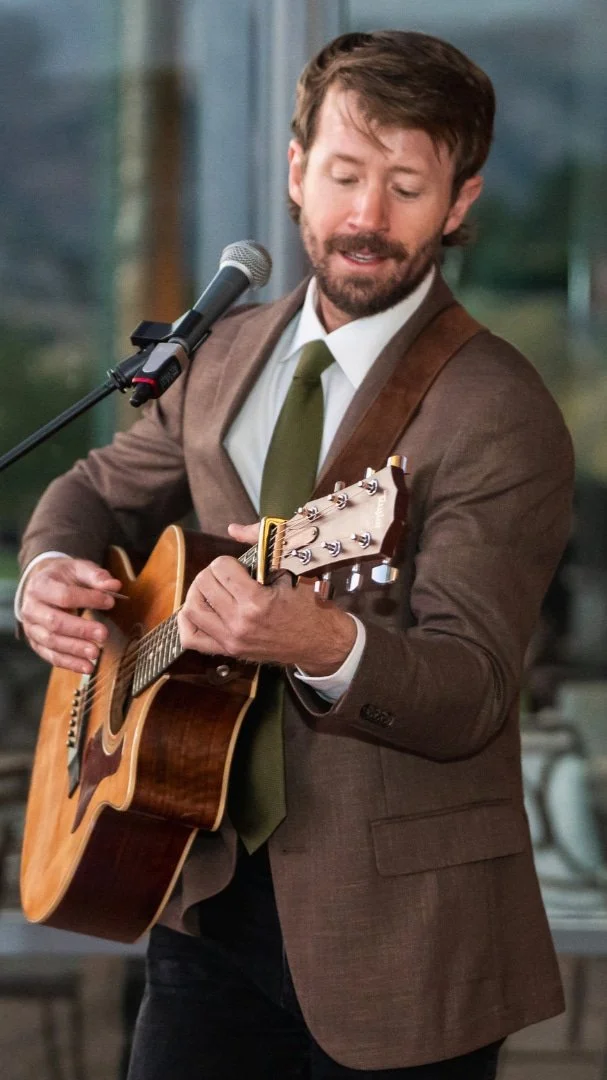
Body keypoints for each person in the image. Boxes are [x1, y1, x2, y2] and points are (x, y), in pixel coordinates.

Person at [18, 30, 573, 1080]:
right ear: (294, 173)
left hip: (401, 934)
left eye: (408, 185)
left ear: (459, 205)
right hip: (198, 884)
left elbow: (473, 687)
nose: (366, 217)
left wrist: (323, 642)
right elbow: (94, 490)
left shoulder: (497, 412)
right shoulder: (218, 351)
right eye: (344, 175)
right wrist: (49, 576)